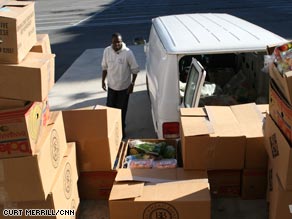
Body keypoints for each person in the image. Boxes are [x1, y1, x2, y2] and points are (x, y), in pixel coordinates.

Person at [101, 32, 140, 138]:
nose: (116, 44)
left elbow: (135, 69)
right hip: (112, 87)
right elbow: (104, 67)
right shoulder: (107, 51)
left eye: (118, 42)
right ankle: (113, 130)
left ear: (121, 41)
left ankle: (121, 131)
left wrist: (132, 84)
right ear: (111, 42)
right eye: (114, 42)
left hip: (124, 88)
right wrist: (103, 81)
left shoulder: (128, 53)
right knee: (110, 110)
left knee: (121, 111)